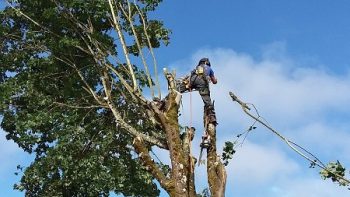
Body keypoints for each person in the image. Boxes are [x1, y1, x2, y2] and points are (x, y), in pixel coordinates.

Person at [177, 57, 218, 124]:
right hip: (202, 82)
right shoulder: (209, 68)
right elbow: (214, 81)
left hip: (192, 80)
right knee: (207, 99)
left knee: (179, 89)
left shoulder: (197, 68)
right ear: (207, 63)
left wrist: (190, 84)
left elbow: (191, 76)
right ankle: (211, 116)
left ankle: (166, 99)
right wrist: (215, 80)